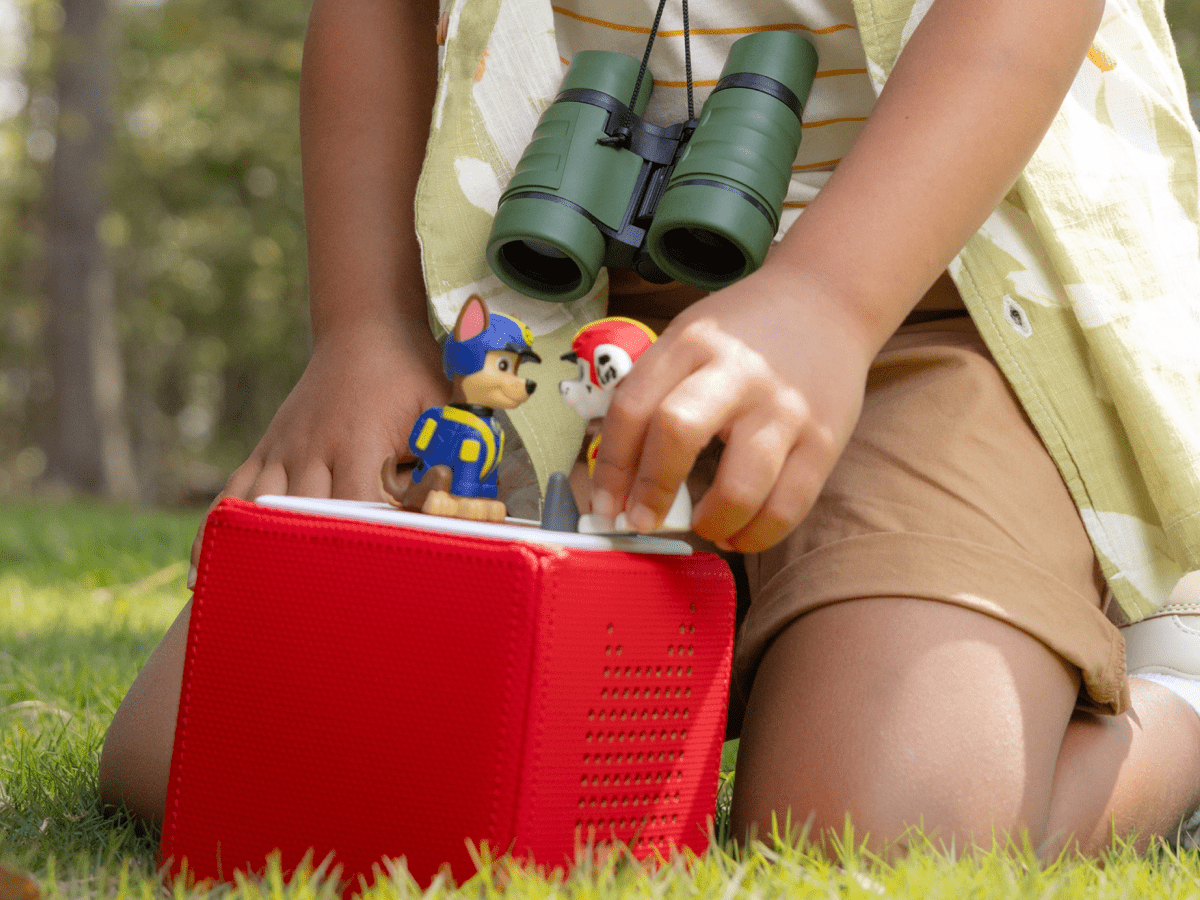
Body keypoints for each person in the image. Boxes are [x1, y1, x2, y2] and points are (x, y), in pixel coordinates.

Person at [99, 0, 1200, 858]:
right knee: (202, 755)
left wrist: (830, 301)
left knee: (887, 830)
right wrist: (364, 329)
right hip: (551, 311)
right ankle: (785, 656)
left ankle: (1179, 701)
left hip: (939, 302)